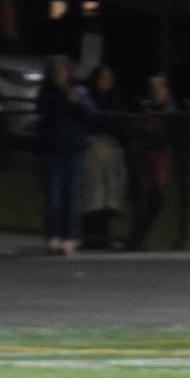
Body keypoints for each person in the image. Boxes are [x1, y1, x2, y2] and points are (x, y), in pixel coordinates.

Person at [34, 56, 92, 255]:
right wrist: (60, 96)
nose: (61, 75)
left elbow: (90, 115)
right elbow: (46, 113)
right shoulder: (47, 93)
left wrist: (74, 101)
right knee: (53, 196)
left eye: (64, 70)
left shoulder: (79, 92)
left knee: (71, 196)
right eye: (57, 71)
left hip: (73, 150)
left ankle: (70, 236)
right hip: (53, 151)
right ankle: (53, 235)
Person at [79, 65, 128, 249]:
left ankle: (104, 235)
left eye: (109, 77)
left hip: (112, 148)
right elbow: (95, 120)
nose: (105, 81)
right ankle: (90, 235)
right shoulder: (89, 97)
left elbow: (119, 122)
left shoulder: (115, 98)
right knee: (94, 193)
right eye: (102, 77)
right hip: (95, 147)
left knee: (110, 194)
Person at [128, 72, 176, 251]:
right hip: (144, 160)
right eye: (153, 88)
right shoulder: (145, 108)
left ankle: (139, 237)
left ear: (166, 90)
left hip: (159, 160)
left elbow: (170, 137)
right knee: (143, 199)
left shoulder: (169, 110)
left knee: (156, 200)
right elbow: (138, 130)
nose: (156, 92)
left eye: (159, 88)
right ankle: (136, 239)